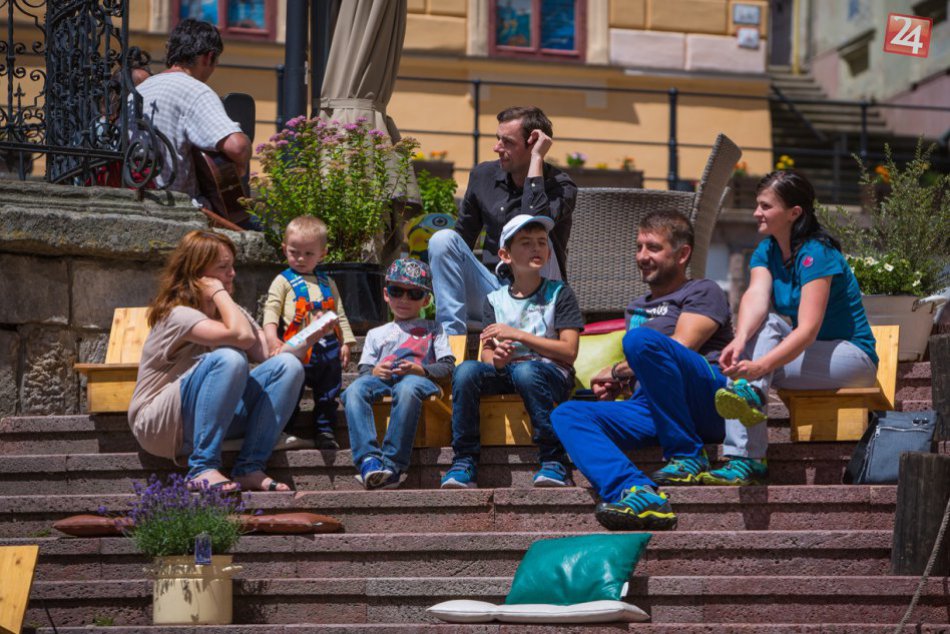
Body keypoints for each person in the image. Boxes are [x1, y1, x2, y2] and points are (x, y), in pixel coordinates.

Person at [550, 210, 734, 531]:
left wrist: (619, 370)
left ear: (683, 254)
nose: (642, 256)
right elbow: (647, 366)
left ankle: (688, 455)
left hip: (707, 399)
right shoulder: (636, 306)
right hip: (651, 408)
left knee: (640, 339)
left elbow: (681, 347)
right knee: (567, 414)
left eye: (653, 247)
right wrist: (619, 386)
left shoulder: (703, 291)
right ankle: (634, 491)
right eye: (638, 247)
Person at [128, 230, 336, 492]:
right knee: (230, 358)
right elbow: (239, 336)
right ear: (198, 274)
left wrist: (310, 336)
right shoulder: (177, 315)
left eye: (232, 266)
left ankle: (250, 466)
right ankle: (203, 467)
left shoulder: (232, 313)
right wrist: (217, 292)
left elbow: (273, 357)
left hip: (209, 418)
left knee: (290, 367)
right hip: (160, 424)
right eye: (223, 268)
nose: (232, 274)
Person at [705, 171, 878, 486]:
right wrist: (740, 341)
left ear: (794, 213)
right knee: (764, 328)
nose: (757, 212)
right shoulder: (767, 250)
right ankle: (748, 447)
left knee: (752, 369)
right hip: (808, 357)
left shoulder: (818, 253)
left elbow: (808, 330)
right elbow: (756, 296)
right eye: (758, 205)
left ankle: (749, 446)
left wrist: (761, 366)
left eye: (766, 206)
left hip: (851, 358)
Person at [441, 214, 584, 489]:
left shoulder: (560, 293)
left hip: (549, 374)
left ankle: (553, 459)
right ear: (505, 254)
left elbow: (569, 351)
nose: (537, 249)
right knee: (466, 370)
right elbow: (486, 353)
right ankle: (464, 460)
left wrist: (518, 336)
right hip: (510, 371)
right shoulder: (494, 300)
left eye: (542, 243)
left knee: (527, 370)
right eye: (527, 243)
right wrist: (497, 359)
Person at [428, 106, 577, 335]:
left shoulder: (561, 186)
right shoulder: (483, 176)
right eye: (498, 139)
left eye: (507, 142)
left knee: (536, 239)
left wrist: (536, 159)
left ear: (533, 143)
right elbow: (462, 240)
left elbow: (533, 222)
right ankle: (450, 346)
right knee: (443, 240)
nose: (497, 148)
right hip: (492, 291)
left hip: (541, 297)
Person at [342, 259, 456, 489]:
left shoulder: (434, 329)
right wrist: (374, 370)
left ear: (425, 300)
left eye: (413, 294)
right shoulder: (375, 333)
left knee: (407, 386)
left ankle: (392, 465)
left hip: (420, 381)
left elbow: (448, 367)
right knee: (354, 389)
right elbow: (364, 370)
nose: (404, 299)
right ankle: (369, 460)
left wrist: (420, 369)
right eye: (397, 291)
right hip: (384, 381)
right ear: (386, 294)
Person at [262, 216, 357, 450]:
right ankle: (286, 427)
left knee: (328, 391)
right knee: (291, 389)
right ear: (285, 249)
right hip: (298, 347)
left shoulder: (328, 282)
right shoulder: (282, 281)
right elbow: (271, 309)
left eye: (309, 253)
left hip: (327, 348)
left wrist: (346, 342)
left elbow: (340, 313)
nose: (301, 259)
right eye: (294, 252)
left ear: (322, 254)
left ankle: (325, 429)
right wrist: (271, 337)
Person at [135, 19, 251, 204]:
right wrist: (241, 164)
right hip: (180, 208)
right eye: (215, 61)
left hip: (138, 200)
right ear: (208, 57)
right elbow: (237, 147)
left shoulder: (140, 90)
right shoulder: (195, 91)